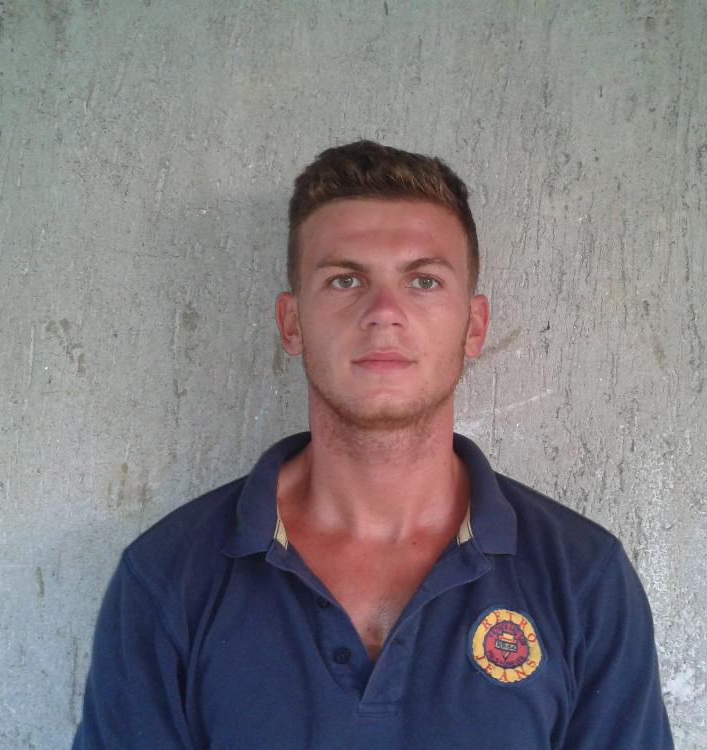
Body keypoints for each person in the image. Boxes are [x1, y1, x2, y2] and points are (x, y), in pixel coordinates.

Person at [72, 140, 674, 749]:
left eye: (423, 280)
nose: (384, 312)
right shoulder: (168, 577)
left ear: (474, 326)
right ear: (292, 323)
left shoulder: (583, 579)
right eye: (345, 280)